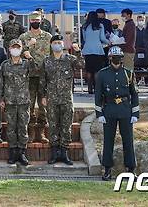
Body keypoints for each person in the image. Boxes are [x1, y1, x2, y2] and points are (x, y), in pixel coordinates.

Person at [95, 46, 140, 181]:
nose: (117, 60)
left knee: (128, 141)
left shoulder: (129, 73)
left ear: (122, 59)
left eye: (119, 58)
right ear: (110, 58)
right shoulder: (102, 74)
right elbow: (98, 95)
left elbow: (134, 94)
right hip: (109, 109)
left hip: (125, 110)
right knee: (108, 141)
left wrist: (135, 113)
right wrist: (99, 114)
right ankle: (107, 169)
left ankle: (131, 169)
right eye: (114, 58)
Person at [40, 34, 84, 165]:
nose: (57, 44)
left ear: (63, 45)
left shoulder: (70, 59)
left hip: (66, 99)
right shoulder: (47, 61)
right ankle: (54, 153)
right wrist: (42, 96)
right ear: (51, 45)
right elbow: (43, 80)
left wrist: (78, 51)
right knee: (53, 126)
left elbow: (81, 65)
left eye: (59, 42)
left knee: (66, 126)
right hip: (52, 98)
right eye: (55, 42)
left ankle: (64, 153)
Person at [0, 39, 35, 165]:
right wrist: (0, 99)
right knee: (11, 128)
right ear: (9, 48)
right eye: (13, 47)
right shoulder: (4, 65)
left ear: (21, 49)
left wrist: (30, 58)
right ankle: (13, 152)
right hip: (10, 101)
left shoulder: (26, 64)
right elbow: (0, 83)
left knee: (23, 127)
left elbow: (36, 72)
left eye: (18, 47)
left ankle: (22, 152)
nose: (15, 49)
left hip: (24, 101)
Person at [19, 11, 50, 143]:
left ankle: (42, 132)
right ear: (29, 21)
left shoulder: (48, 37)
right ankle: (31, 132)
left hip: (43, 76)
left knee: (43, 105)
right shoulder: (23, 37)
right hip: (29, 76)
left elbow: (52, 55)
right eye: (32, 20)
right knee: (29, 105)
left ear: (40, 21)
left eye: (37, 20)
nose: (35, 22)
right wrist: (28, 46)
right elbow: (16, 54)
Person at [81, 11, 109, 94]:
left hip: (87, 49)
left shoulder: (85, 26)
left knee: (89, 70)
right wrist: (109, 42)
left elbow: (85, 39)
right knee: (97, 70)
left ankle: (89, 88)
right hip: (97, 49)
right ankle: (97, 88)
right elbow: (102, 38)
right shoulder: (100, 26)